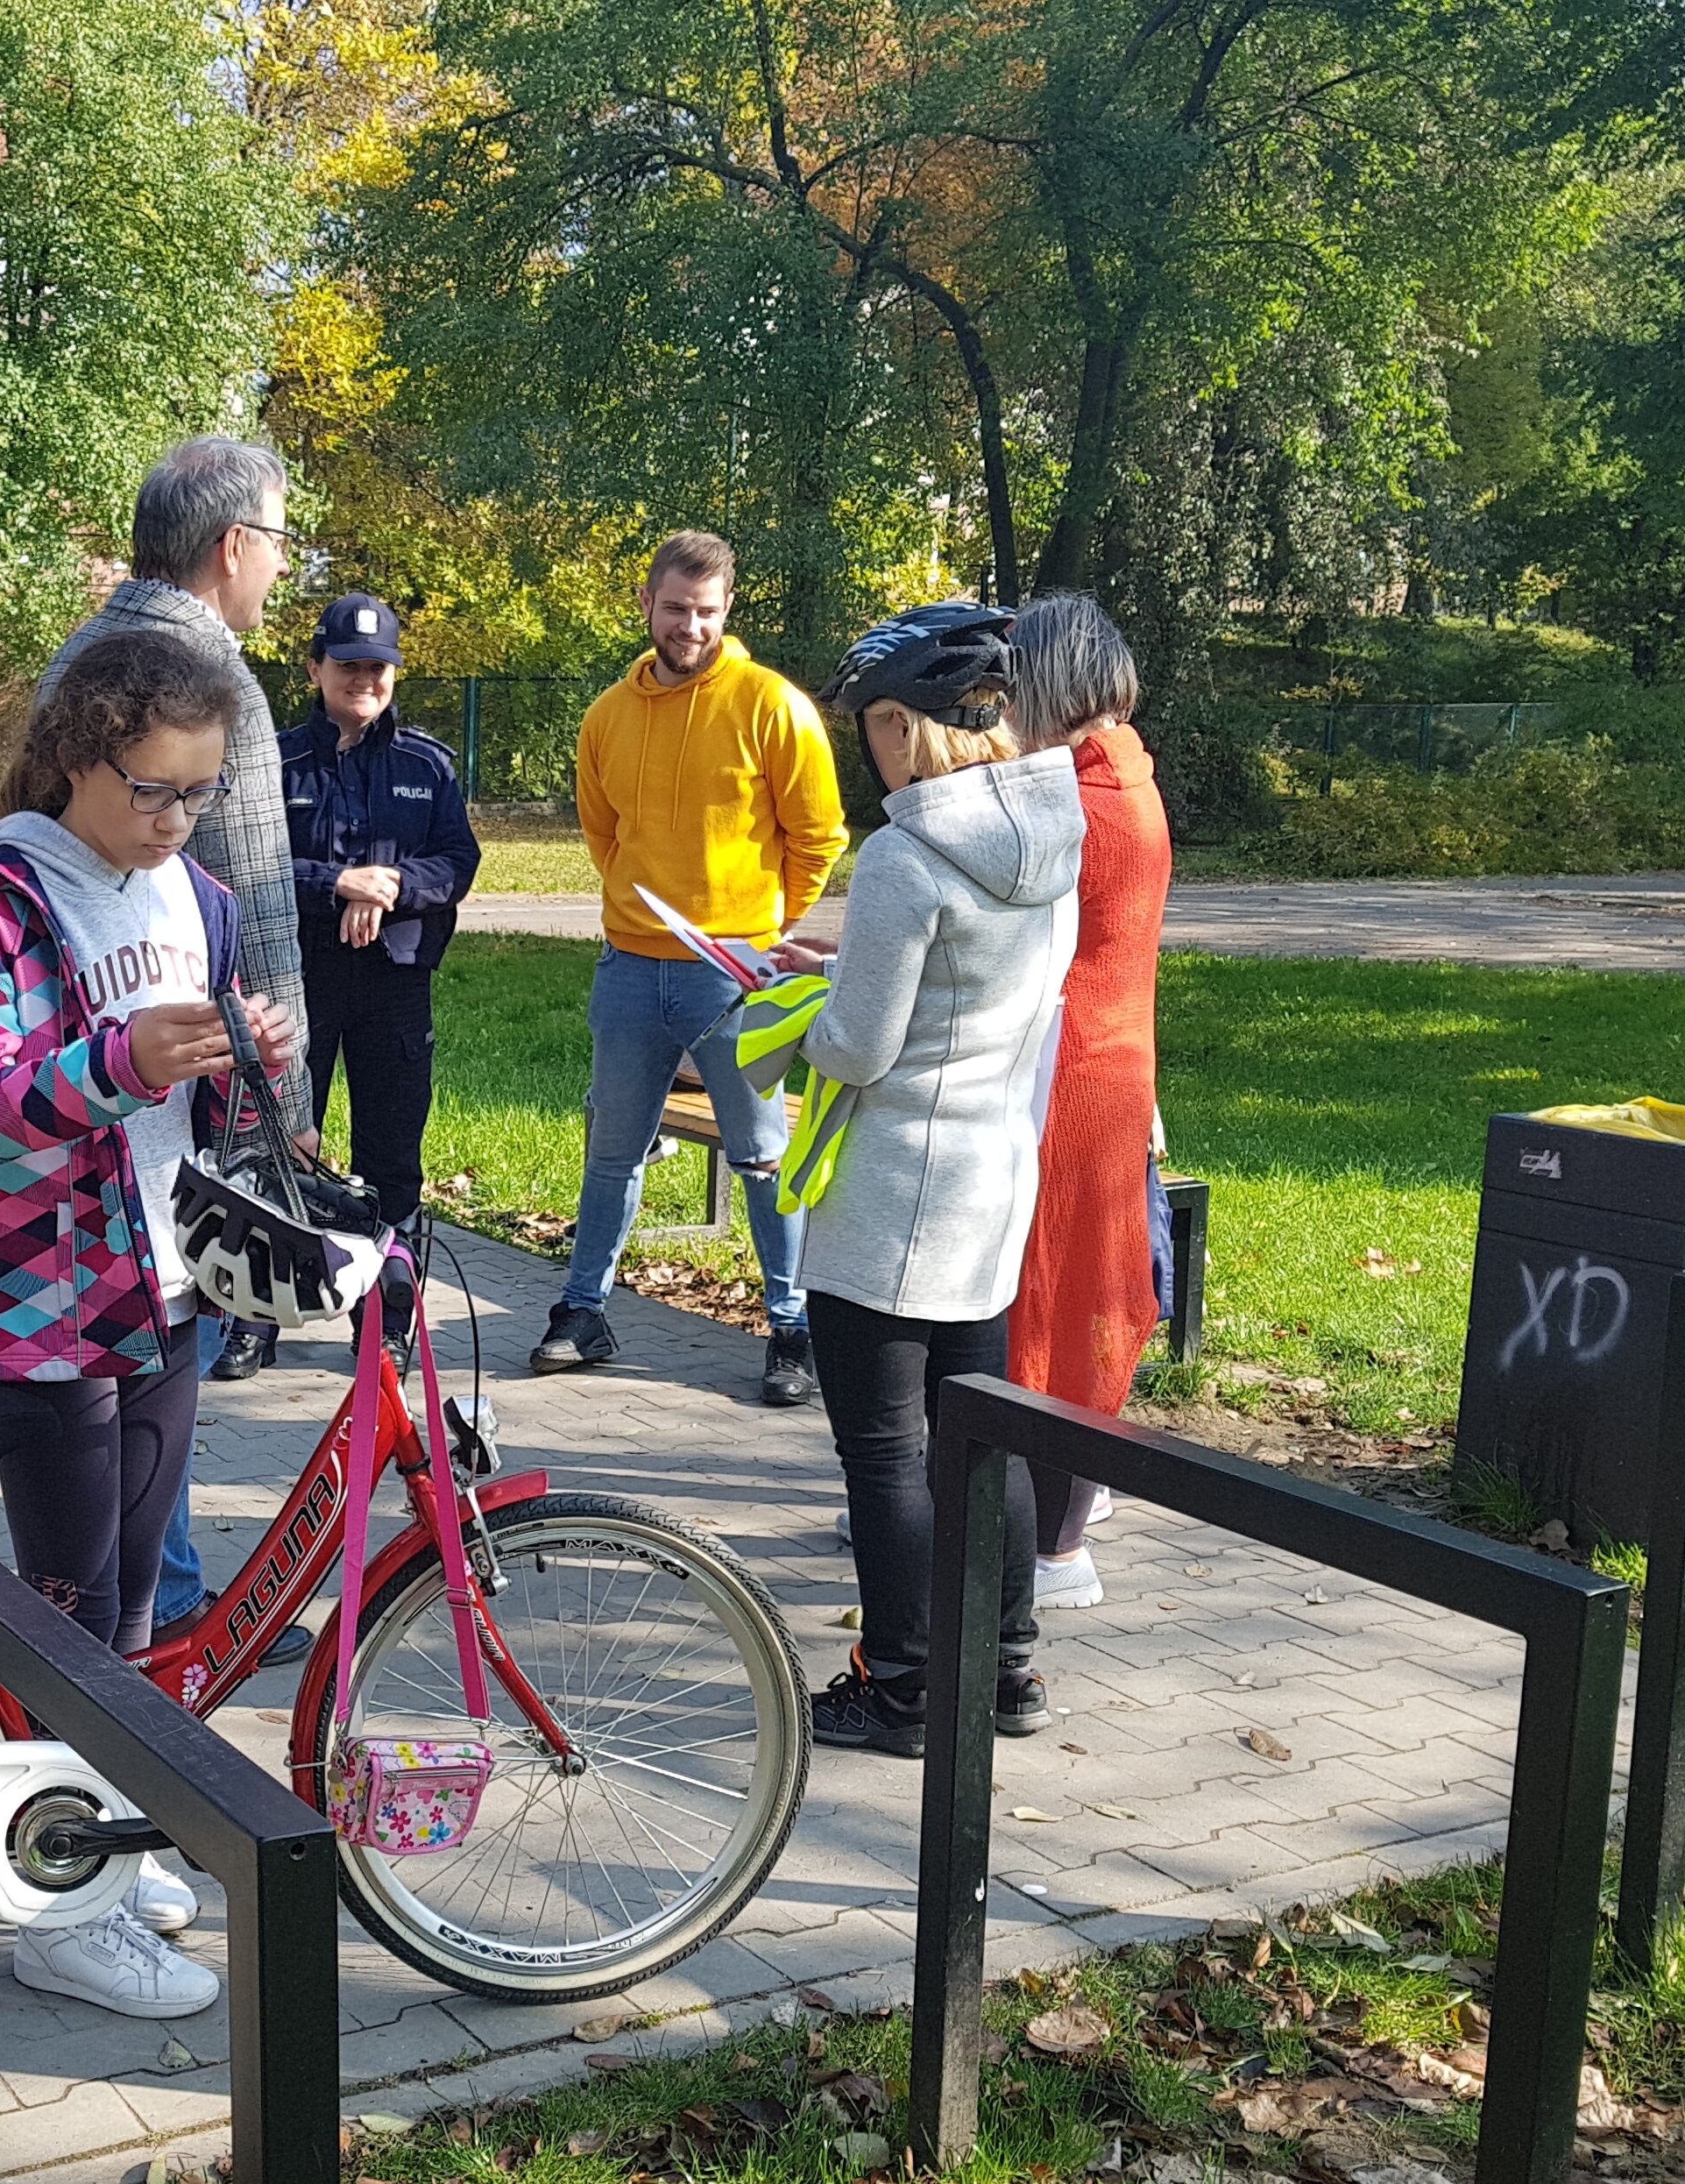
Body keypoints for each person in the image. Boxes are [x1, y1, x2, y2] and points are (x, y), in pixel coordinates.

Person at [0, 631, 298, 2019]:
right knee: (67, 1622)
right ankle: (55, 1919)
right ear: (80, 756)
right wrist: (113, 1065)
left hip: (169, 1291)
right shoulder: (5, 898)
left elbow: (198, 1103)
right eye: (154, 790)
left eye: (200, 792)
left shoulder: (197, 897)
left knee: (133, 1607)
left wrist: (242, 1062)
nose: (177, 819)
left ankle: (99, 1847)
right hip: (49, 1312)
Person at [780, 603, 1083, 1756]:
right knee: (982, 1435)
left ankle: (903, 1685)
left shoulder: (905, 856)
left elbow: (860, 1049)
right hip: (991, 1181)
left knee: (887, 1454)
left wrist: (793, 1014)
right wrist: (847, 969)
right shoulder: (1055, 835)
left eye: (871, 724)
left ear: (905, 726)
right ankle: (1007, 1670)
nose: (867, 747)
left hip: (893, 1194)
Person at [531, 533, 844, 1407]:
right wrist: (642, 907)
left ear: (727, 609)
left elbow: (818, 835)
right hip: (630, 966)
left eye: (706, 611)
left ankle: (792, 1329)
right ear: (646, 604)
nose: (690, 627)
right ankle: (582, 1312)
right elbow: (604, 832)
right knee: (612, 1151)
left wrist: (764, 930)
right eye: (675, 608)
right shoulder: (608, 715)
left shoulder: (770, 705)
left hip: (735, 974)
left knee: (762, 1157)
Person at [36, 436, 312, 1391]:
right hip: (164, 1095)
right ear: (234, 545)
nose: (284, 565)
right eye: (280, 540)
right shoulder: (216, 683)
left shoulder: (76, 656)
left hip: (55, 1084)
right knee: (157, 1380)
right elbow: (256, 908)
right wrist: (287, 1107)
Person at [1000, 593, 1173, 1611]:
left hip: (1069, 1075)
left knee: (1054, 1300)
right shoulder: (1125, 777)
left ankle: (1052, 1546)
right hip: (1112, 1063)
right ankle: (1057, 1509)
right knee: (1081, 1292)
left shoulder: (1080, 806)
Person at [280, 593, 480, 1363]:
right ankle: (255, 1319)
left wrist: (389, 886)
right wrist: (338, 883)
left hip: (394, 984)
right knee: (283, 1147)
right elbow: (255, 868)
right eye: (348, 665)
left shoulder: (426, 764)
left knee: (391, 1160)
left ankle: (385, 1326)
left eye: (378, 667)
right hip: (300, 979)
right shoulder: (275, 762)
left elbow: (457, 862)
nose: (364, 679)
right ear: (315, 669)